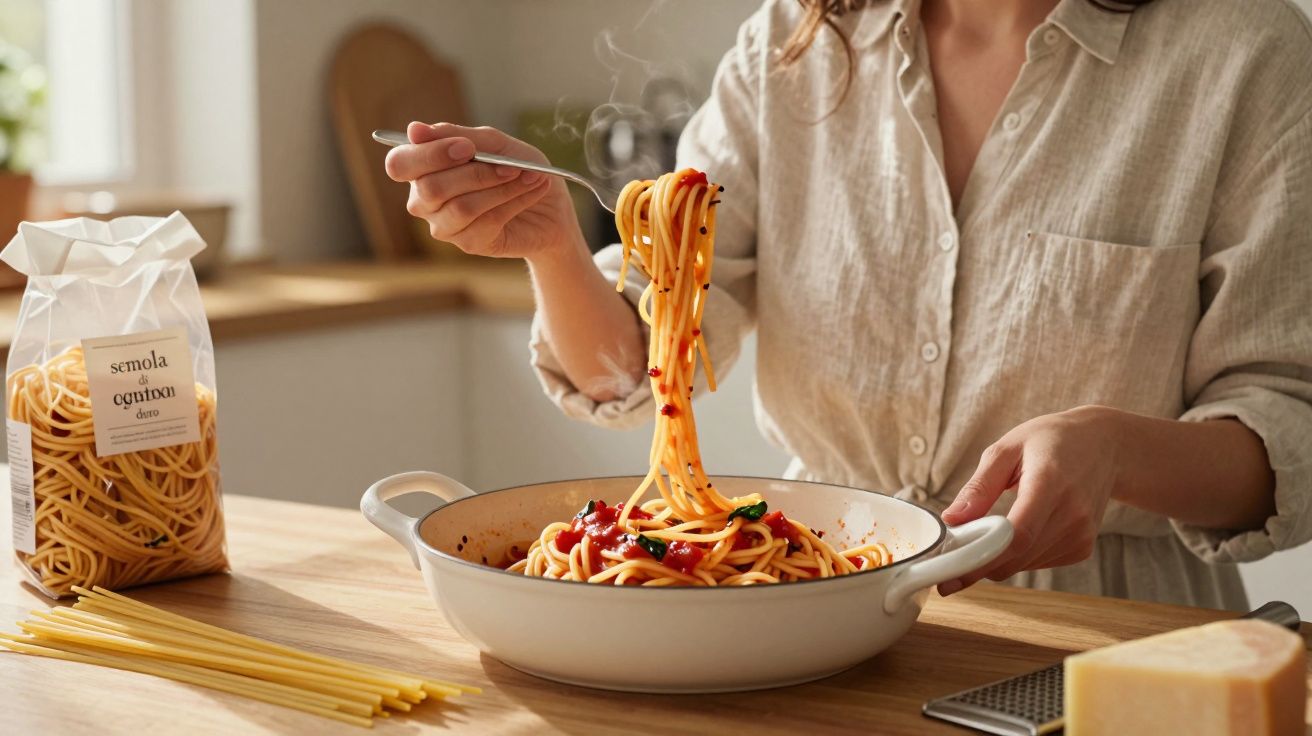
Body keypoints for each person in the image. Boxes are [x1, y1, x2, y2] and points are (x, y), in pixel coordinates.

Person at [383, 0, 1312, 610]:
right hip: (821, 598)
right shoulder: (792, 44)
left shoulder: (1242, 52)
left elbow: (1285, 425)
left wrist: (1116, 452)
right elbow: (633, 367)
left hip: (1111, 632)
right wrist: (552, 243)